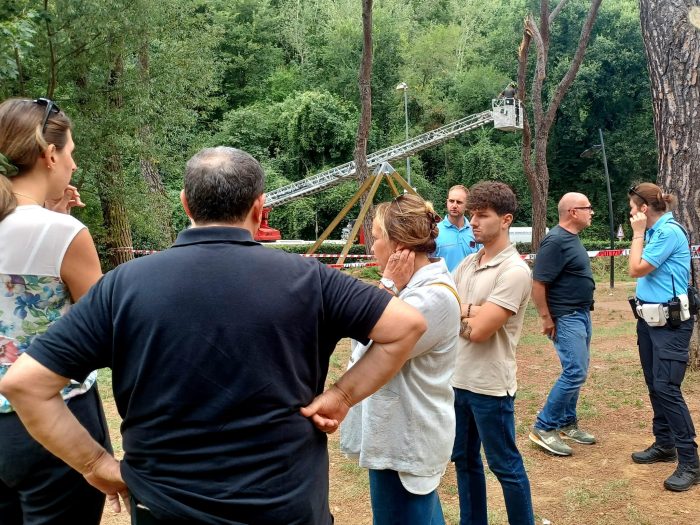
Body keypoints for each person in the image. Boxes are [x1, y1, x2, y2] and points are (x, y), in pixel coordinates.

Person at [0, 146, 428, 524]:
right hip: (285, 505)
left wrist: (94, 464)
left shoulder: (123, 286)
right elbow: (406, 326)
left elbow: (25, 384)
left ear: (186, 203)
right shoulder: (309, 279)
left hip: (163, 508)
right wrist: (343, 396)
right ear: (261, 210)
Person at [0, 97, 108, 525]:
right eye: (71, 152)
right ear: (49, 155)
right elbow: (103, 327)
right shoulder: (63, 232)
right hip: (54, 423)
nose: (74, 165)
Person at [340, 194, 460, 525]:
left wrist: (388, 284)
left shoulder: (429, 298)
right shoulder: (415, 292)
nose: (371, 248)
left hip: (406, 441)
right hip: (397, 436)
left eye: (375, 238)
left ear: (398, 246)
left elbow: (365, 354)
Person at [450, 181, 534, 525]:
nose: (473, 221)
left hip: (490, 387)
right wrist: (473, 309)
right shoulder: (469, 263)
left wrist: (462, 311)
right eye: (471, 214)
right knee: (464, 461)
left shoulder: (514, 271)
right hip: (458, 380)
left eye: (482, 215)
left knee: (505, 466)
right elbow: (444, 310)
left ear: (506, 220)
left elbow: (482, 332)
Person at [627, 183, 698, 492]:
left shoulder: (667, 232)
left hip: (670, 324)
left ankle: (691, 463)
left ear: (644, 209)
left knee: (666, 387)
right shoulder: (657, 233)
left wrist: (638, 233)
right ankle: (665, 443)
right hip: (649, 320)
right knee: (654, 383)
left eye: (632, 208)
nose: (630, 213)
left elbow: (636, 268)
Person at [529, 193, 596, 457]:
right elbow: (538, 283)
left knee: (578, 371)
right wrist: (546, 318)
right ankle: (543, 427)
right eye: (587, 207)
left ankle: (567, 422)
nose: (592, 212)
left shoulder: (571, 238)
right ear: (572, 212)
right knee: (574, 372)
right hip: (566, 317)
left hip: (580, 314)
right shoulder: (555, 241)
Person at [434, 185, 478, 272]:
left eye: (459, 202)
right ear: (447, 202)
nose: (454, 205)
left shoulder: (475, 231)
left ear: (467, 206)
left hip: (469, 284)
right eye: (451, 201)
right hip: (444, 285)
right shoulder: (435, 231)